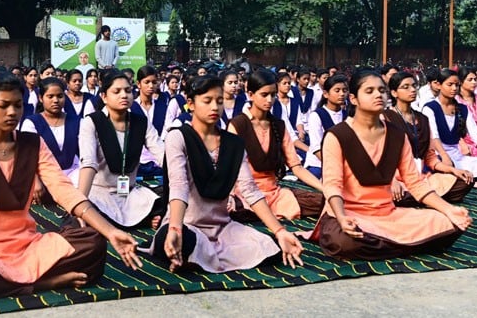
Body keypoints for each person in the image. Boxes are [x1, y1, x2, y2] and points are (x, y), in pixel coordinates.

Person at [0, 71, 142, 302]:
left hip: (27, 244)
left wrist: (110, 231)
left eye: (18, 105)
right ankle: (43, 282)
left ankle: (10, 282)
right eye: (3, 105)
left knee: (93, 244)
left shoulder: (32, 143)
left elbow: (64, 190)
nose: (12, 112)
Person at [147, 75, 303, 272]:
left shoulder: (233, 143)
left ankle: (199, 257)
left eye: (219, 101)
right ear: (191, 104)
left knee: (270, 248)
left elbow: (250, 190)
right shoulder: (178, 137)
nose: (214, 107)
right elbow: (179, 186)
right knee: (176, 241)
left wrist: (280, 231)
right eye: (207, 101)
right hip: (185, 224)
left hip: (222, 228)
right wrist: (175, 229)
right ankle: (188, 250)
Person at [312, 70, 472, 260]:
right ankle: (406, 243)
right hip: (350, 214)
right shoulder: (337, 135)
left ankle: (389, 242)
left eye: (381, 90)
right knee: (344, 241)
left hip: (388, 213)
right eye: (369, 91)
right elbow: (332, 185)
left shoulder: (397, 135)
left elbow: (415, 183)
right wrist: (340, 217)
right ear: (354, 99)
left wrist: (448, 209)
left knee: (450, 223)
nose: (378, 95)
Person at [228, 69, 324, 220]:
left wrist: (325, 189)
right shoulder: (238, 125)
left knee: (326, 202)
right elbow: (230, 169)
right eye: (264, 95)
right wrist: (230, 196)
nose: (269, 100)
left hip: (274, 193)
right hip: (245, 195)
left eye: (273, 95)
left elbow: (296, 167)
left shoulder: (278, 125)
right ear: (251, 95)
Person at [77, 71, 165, 228]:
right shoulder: (91, 122)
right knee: (85, 215)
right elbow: (89, 163)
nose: (124, 95)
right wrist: (79, 204)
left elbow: (162, 153)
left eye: (128, 91)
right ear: (104, 97)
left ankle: (150, 216)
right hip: (100, 193)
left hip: (130, 193)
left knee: (168, 198)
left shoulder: (141, 122)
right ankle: (146, 219)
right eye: (116, 92)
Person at [383, 71, 473, 207]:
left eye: (414, 86)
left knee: (465, 181)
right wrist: (392, 180)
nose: (412, 90)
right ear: (394, 93)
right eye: (406, 87)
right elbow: (380, 157)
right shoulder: (385, 118)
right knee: (394, 193)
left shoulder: (422, 119)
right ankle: (426, 197)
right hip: (397, 178)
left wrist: (453, 170)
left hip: (422, 177)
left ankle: (423, 197)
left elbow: (430, 158)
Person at [421, 69, 477, 179]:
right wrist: (444, 155)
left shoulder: (462, 108)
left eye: (457, 85)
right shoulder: (430, 108)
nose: (454, 88)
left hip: (458, 155)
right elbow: (434, 136)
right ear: (439, 85)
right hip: (438, 154)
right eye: (450, 84)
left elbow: (476, 134)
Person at [21, 77, 82, 190]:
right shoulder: (31, 123)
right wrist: (36, 181)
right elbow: (27, 155)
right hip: (43, 177)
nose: (55, 100)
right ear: (40, 98)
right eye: (50, 96)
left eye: (60, 96)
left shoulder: (77, 121)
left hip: (74, 176)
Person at [304, 74, 348, 179]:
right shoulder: (317, 116)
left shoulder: (348, 116)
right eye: (337, 91)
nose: (342, 94)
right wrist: (335, 166)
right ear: (326, 94)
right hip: (319, 164)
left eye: (344, 90)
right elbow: (316, 148)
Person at [131, 65, 168, 178]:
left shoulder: (163, 106)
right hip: (137, 162)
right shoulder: (131, 107)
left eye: (153, 82)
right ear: (139, 84)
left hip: (159, 161)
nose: (151, 86)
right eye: (146, 82)